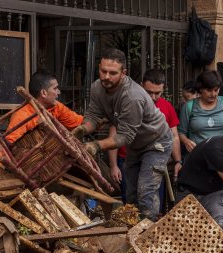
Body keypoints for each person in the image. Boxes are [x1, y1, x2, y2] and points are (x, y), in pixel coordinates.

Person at [73, 48, 172, 222]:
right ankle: (132, 231)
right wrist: (83, 129)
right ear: (99, 68)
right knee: (131, 193)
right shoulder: (97, 87)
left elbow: (124, 137)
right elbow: (94, 116)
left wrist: (95, 146)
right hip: (136, 144)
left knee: (145, 191)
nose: (106, 77)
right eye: (103, 71)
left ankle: (150, 234)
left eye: (113, 73)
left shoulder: (132, 96)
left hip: (156, 143)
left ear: (123, 73)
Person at [108, 68, 183, 205]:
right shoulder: (128, 102)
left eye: (157, 93)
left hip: (154, 158)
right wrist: (113, 165)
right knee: (131, 199)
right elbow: (114, 133)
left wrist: (178, 161)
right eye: (149, 92)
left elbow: (174, 136)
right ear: (141, 86)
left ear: (163, 89)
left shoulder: (167, 107)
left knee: (148, 198)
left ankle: (149, 225)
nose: (153, 97)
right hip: (127, 158)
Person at [0, 70, 83, 165]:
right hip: (32, 164)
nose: (59, 92)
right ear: (43, 93)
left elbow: (79, 122)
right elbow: (7, 144)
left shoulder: (57, 107)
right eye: (55, 88)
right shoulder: (23, 115)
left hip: (54, 161)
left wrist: (95, 120)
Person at [178, 69, 223, 153]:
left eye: (216, 90)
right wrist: (186, 141)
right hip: (199, 155)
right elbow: (181, 132)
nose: (213, 94)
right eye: (209, 90)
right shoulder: (189, 107)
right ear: (201, 89)